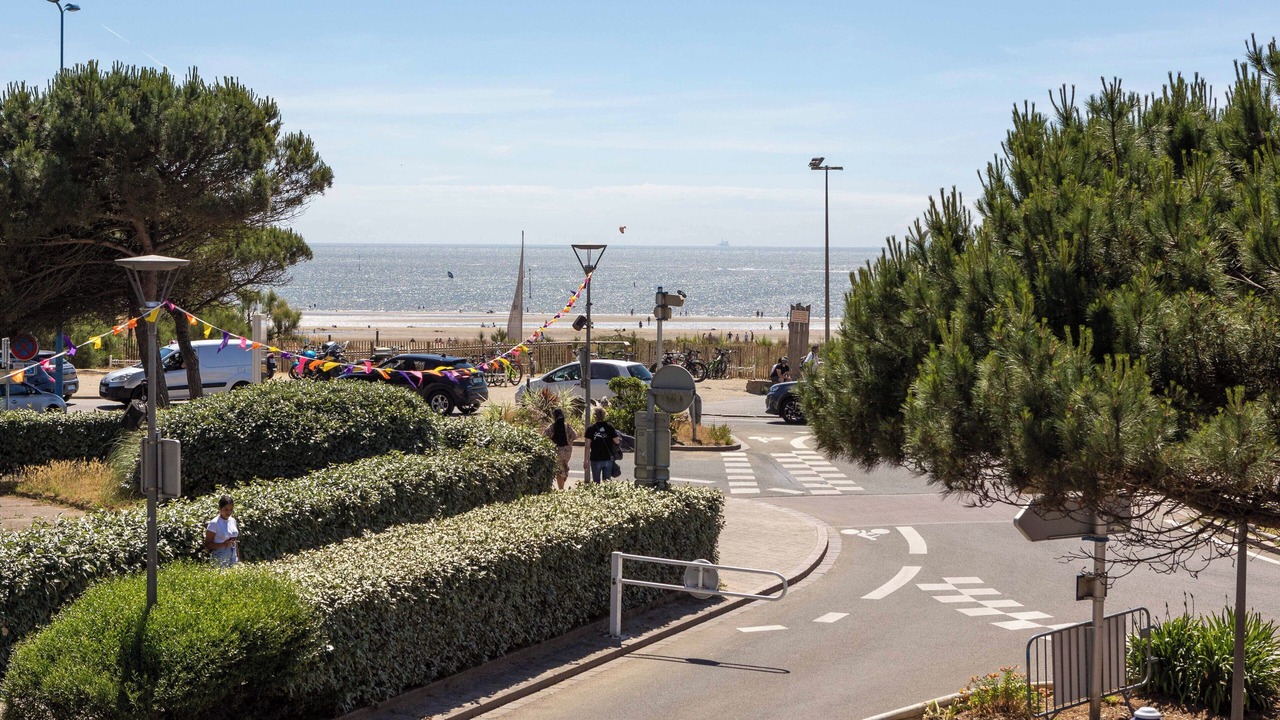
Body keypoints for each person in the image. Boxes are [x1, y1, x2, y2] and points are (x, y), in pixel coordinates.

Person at [543, 408, 577, 490]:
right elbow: (575, 435)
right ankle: (562, 482)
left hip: (557, 451)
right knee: (564, 467)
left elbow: (544, 438)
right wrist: (570, 442)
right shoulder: (567, 426)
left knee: (559, 471)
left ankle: (561, 489)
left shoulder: (551, 427)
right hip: (567, 451)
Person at [585, 407, 620, 483]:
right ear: (604, 415)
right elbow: (617, 441)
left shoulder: (590, 429)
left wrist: (586, 460)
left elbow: (587, 446)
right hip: (608, 458)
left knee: (596, 482)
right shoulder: (609, 427)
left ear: (594, 416)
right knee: (607, 483)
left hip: (595, 458)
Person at [205, 495, 239, 567]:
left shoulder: (233, 521)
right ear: (220, 509)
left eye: (231, 509)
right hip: (220, 555)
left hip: (233, 554)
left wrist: (237, 557)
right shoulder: (214, 523)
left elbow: (235, 540)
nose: (228, 512)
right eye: (226, 509)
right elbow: (207, 544)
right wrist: (222, 545)